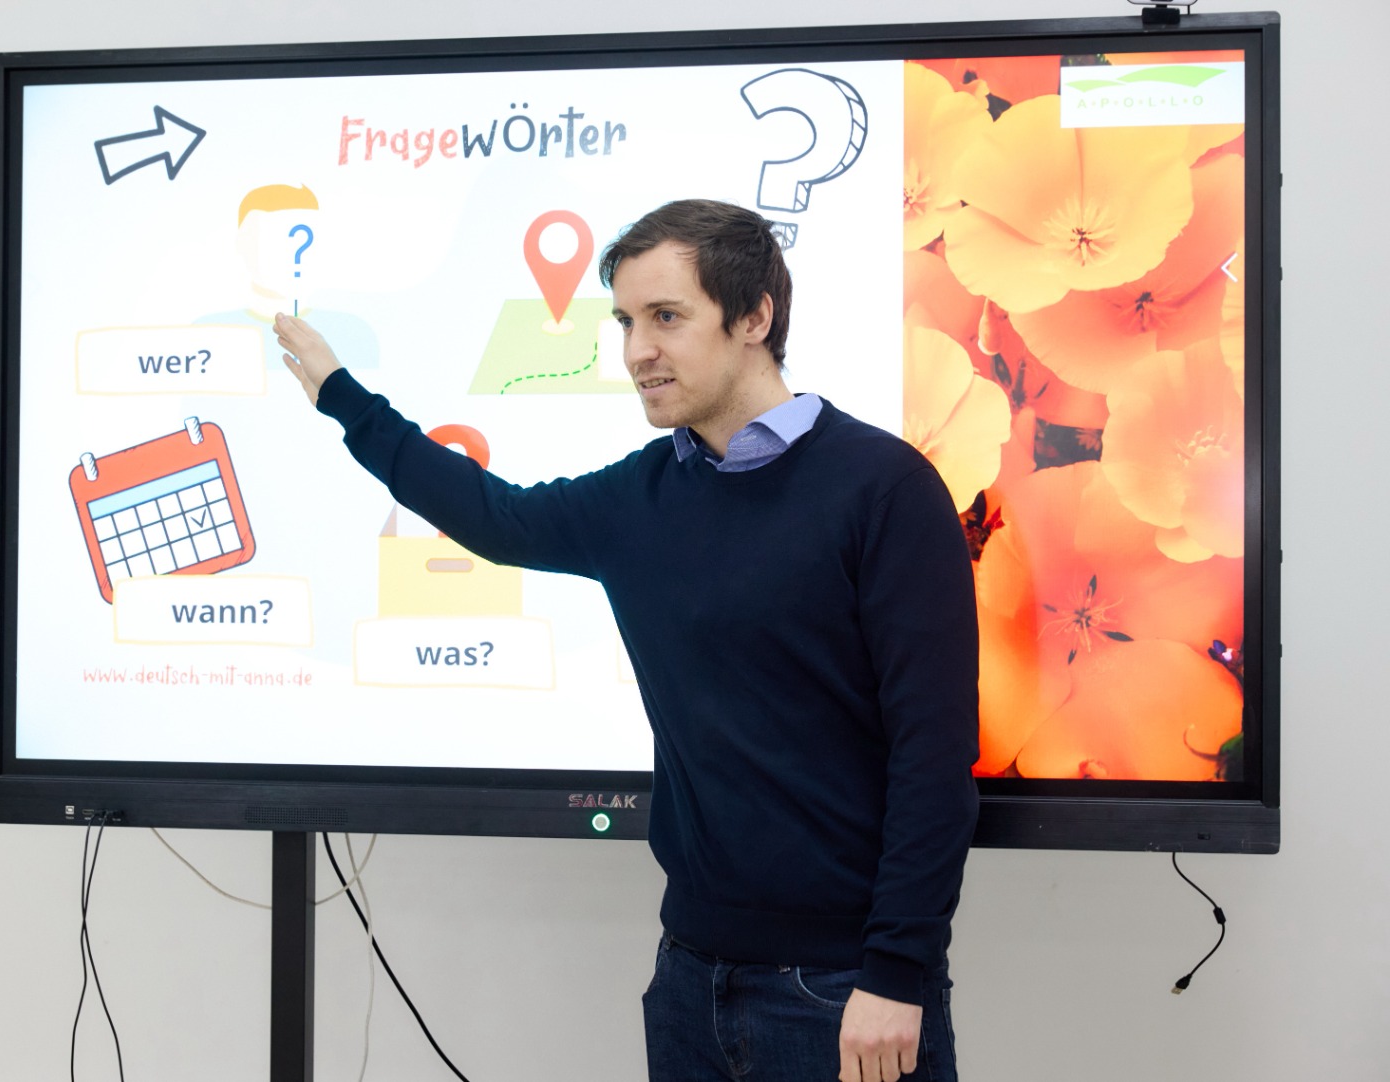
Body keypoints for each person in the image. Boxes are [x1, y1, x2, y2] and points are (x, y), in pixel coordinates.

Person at [274, 199, 979, 1082]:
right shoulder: (642, 497)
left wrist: (897, 971)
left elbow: (933, 755)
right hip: (690, 978)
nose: (637, 350)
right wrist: (347, 401)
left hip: (842, 991)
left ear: (755, 317)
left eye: (666, 317)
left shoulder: (885, 490)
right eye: (625, 322)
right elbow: (495, 517)